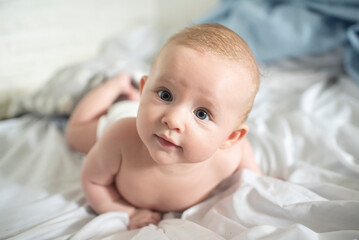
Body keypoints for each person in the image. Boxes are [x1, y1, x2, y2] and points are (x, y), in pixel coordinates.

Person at [66, 23, 262, 230]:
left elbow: (243, 151)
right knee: (75, 134)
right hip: (124, 117)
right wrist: (128, 211)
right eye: (165, 94)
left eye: (201, 114)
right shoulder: (118, 138)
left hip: (149, 117)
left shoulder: (228, 158)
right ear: (145, 90)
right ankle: (117, 84)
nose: (173, 120)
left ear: (229, 138)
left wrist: (257, 177)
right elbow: (93, 181)